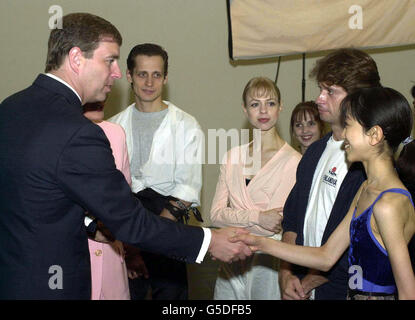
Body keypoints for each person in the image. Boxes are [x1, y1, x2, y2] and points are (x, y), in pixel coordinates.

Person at [0, 12, 251, 299]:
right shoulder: (77, 131)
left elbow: (38, 195)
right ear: (76, 58)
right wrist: (209, 240)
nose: (118, 73)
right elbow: (131, 222)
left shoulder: (10, 108)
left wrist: (91, 224)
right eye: (110, 60)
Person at [232, 87, 415, 300]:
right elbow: (326, 256)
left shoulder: (389, 204)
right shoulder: (366, 190)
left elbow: (408, 292)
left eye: (348, 126)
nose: (343, 134)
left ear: (374, 135)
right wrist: (260, 243)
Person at [279, 48, 381, 300]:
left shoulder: (368, 162)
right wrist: (286, 273)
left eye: (330, 91)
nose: (319, 99)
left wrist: (314, 279)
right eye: (320, 90)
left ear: (356, 98)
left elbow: (367, 240)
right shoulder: (313, 153)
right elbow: (291, 220)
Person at [108, 43, 203, 300]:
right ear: (129, 76)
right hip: (125, 237)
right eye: (142, 74)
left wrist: (147, 240)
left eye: (157, 74)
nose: (149, 82)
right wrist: (132, 249)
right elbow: (110, 192)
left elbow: (187, 189)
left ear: (166, 78)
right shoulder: (113, 126)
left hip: (167, 229)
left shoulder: (186, 125)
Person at [210, 77, 301, 299]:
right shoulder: (232, 156)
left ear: (280, 107)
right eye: (254, 104)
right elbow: (215, 216)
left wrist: (238, 220)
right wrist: (258, 216)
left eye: (270, 103)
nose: (263, 110)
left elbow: (273, 226)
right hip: (230, 260)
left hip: (267, 262)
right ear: (245, 109)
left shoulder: (294, 161)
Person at [83, 101, 131, 300]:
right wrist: (90, 225)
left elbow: (126, 196)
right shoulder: (51, 133)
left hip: (112, 259)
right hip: (73, 261)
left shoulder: (116, 133)